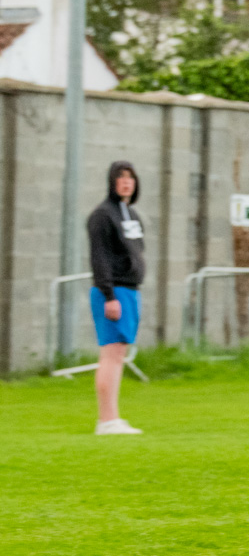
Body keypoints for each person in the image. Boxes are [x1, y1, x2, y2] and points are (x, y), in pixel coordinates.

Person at [87, 161, 146, 435]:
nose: (126, 182)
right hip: (113, 292)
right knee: (111, 353)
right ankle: (106, 420)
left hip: (131, 291)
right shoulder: (102, 215)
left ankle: (114, 417)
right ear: (112, 182)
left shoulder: (131, 215)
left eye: (130, 177)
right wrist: (109, 295)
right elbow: (99, 258)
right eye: (120, 177)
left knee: (119, 353)